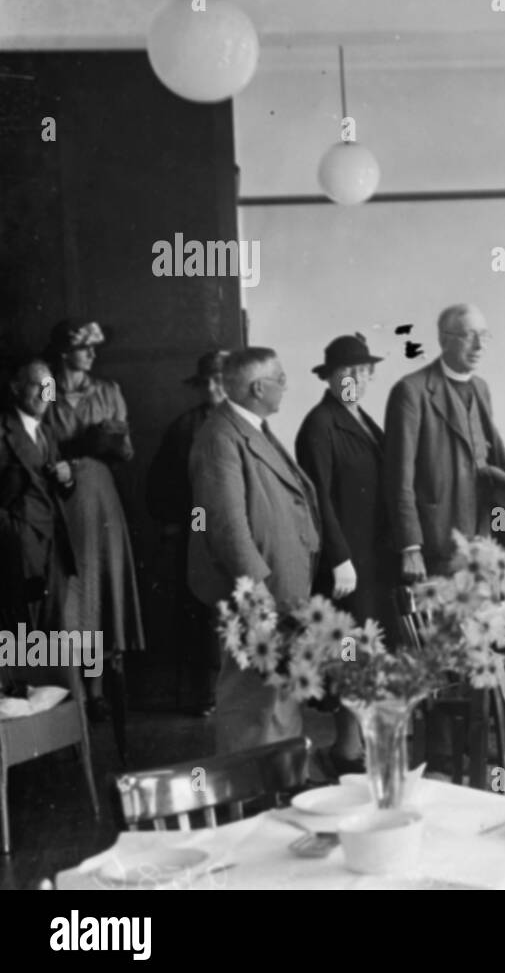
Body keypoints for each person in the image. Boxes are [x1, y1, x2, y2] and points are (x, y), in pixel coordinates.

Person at [188, 347, 322, 755]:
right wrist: (256, 587)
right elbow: (226, 523)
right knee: (251, 695)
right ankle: (249, 786)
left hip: (280, 579)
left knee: (278, 688)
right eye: (280, 378)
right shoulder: (220, 435)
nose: (286, 385)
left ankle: (283, 779)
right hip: (259, 587)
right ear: (258, 387)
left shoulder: (250, 426)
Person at [295, 333, 390, 774]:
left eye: (362, 371)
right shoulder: (320, 424)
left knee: (367, 654)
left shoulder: (363, 420)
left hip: (373, 561)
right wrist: (339, 558)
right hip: (347, 567)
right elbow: (320, 501)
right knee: (350, 654)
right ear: (330, 377)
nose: (354, 378)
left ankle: (358, 748)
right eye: (344, 372)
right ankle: (347, 752)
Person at [42, 320, 144, 720]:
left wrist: (100, 444)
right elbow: (37, 433)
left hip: (99, 497)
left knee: (100, 593)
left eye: (93, 348)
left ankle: (98, 690)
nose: (91, 354)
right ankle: (74, 693)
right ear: (64, 351)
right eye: (83, 346)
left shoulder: (107, 391)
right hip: (60, 498)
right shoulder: (48, 389)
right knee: (71, 595)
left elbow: (126, 450)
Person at [384, 303, 505, 580]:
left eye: (485, 335)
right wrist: (410, 547)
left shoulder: (481, 388)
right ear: (443, 339)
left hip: (483, 540)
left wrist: (499, 529)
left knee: (486, 621)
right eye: (469, 336)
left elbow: (492, 471)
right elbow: (399, 477)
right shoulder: (411, 391)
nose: (479, 345)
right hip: (438, 544)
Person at [146, 350, 229, 715]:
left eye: (219, 380)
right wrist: (180, 524)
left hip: (238, 530)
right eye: (205, 382)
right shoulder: (185, 427)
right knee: (199, 613)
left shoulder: (245, 424)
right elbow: (161, 483)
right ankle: (202, 694)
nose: (212, 388)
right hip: (196, 524)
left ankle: (237, 691)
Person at [0, 358, 76, 635]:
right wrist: (14, 533)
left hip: (54, 548)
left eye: (50, 387)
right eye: (37, 386)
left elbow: (58, 491)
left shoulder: (47, 433)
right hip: (19, 548)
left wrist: (68, 478)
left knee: (51, 633)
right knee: (22, 634)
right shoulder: (2, 431)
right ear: (16, 388)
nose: (45, 394)